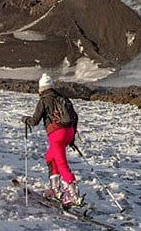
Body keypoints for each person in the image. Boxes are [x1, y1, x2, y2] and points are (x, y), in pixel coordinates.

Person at [21, 73, 82, 207]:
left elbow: (34, 121)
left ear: (42, 88)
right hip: (69, 132)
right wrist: (72, 137)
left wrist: (25, 120)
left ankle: (73, 195)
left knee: (61, 163)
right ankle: (55, 190)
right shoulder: (63, 98)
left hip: (56, 134)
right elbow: (74, 116)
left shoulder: (44, 100)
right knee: (50, 157)